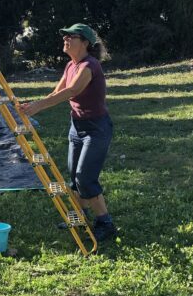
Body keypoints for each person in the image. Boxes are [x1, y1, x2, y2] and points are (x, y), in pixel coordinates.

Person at [18, 23, 118, 242]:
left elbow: (72, 90)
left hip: (97, 129)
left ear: (85, 43)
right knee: (74, 176)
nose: (65, 39)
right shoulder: (70, 65)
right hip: (77, 127)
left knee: (85, 177)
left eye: (71, 36)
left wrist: (38, 107)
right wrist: (33, 104)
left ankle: (105, 223)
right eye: (65, 36)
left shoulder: (89, 66)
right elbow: (58, 92)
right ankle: (80, 216)